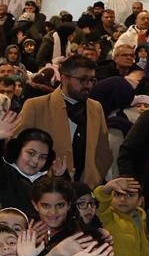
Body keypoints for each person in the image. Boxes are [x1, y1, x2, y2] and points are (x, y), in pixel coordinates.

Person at [12, 55, 109, 187]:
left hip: (85, 190)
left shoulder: (96, 108)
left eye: (92, 80)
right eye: (82, 80)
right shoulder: (36, 106)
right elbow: (16, 148)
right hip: (44, 189)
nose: (89, 85)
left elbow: (103, 151)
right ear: (64, 79)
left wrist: (95, 181)